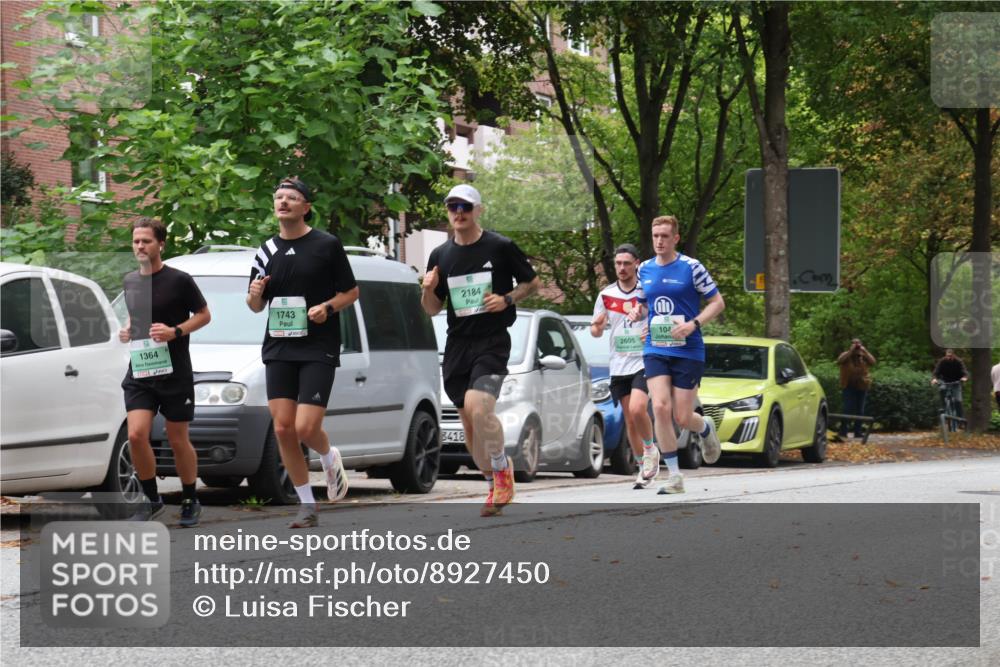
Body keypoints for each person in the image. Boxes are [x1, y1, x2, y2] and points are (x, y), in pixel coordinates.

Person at [421, 184, 541, 516]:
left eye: (465, 207)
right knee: (471, 430)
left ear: (478, 210)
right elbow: (432, 309)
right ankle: (493, 486)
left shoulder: (500, 247)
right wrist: (428, 290)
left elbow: (533, 282)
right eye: (452, 207)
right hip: (458, 346)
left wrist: (506, 299)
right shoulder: (440, 255)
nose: (458, 212)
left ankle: (503, 471)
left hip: (492, 341)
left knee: (479, 407)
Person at [247, 177, 359, 529]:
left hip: (317, 346)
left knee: (306, 428)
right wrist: (254, 293)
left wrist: (327, 306)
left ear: (306, 206)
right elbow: (254, 306)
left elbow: (351, 292)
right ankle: (307, 505)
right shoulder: (266, 251)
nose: (283, 202)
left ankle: (328, 456)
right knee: (282, 429)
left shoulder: (326, 245)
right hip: (279, 346)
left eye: (292, 198)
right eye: (279, 197)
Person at [119, 217, 211, 525]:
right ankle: (150, 499)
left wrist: (176, 331)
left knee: (176, 438)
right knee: (136, 434)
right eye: (136, 241)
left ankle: (189, 498)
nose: (140, 246)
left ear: (161, 244)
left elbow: (204, 315)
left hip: (174, 371)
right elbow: (137, 318)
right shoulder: (131, 280)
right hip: (142, 369)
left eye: (146, 241)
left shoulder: (180, 280)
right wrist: (128, 329)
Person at [627, 215, 724, 494]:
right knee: (659, 407)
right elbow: (645, 304)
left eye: (665, 236)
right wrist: (638, 312)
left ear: (675, 238)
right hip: (656, 347)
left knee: (683, 417)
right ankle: (674, 477)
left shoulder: (692, 268)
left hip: (688, 349)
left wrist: (693, 324)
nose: (659, 241)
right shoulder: (644, 268)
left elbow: (717, 303)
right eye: (656, 235)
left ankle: (704, 427)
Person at [590, 243, 656, 489]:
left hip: (644, 359)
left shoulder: (646, 291)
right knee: (629, 419)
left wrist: (650, 329)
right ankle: (643, 467)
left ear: (637, 263)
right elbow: (596, 331)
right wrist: (596, 326)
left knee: (639, 409)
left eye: (627, 263)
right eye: (618, 263)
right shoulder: (606, 295)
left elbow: (661, 318)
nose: (622, 268)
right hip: (619, 364)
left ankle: (651, 451)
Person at [836, 338, 876, 439]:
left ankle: (857, 431)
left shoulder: (863, 355)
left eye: (858, 344)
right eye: (854, 344)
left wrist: (865, 351)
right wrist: (850, 351)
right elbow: (840, 360)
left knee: (860, 410)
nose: (856, 346)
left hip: (862, 385)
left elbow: (873, 362)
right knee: (847, 409)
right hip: (848, 385)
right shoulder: (846, 355)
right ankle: (843, 431)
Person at [931, 349, 968, 424]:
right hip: (944, 381)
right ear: (945, 355)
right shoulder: (942, 361)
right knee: (942, 389)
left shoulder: (958, 361)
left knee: (958, 400)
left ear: (953, 355)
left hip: (956, 382)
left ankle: (960, 419)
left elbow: (964, 371)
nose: (949, 358)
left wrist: (964, 377)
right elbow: (936, 371)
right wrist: (934, 379)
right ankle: (944, 407)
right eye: (947, 356)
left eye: (950, 356)